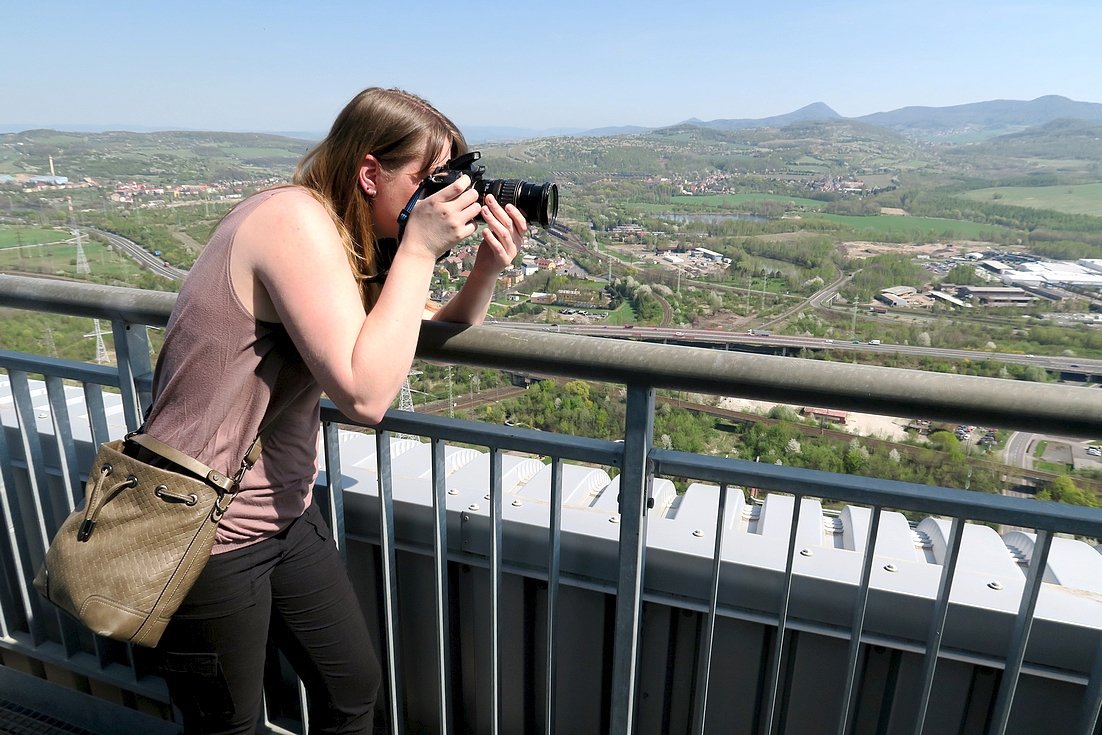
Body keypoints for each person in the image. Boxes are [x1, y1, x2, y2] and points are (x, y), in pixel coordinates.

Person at [142, 87, 527, 734]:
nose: (440, 200)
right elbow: (366, 394)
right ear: (370, 173)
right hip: (204, 531)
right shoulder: (292, 221)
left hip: (284, 513)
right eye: (427, 182)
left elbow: (418, 327)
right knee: (226, 724)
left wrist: (484, 268)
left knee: (352, 690)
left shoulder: (345, 242)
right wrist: (419, 250)